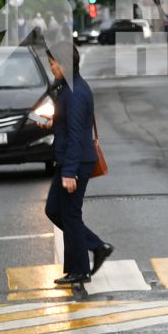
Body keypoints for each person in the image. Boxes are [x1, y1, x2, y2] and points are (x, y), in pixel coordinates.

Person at [42, 37, 113, 285]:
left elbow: (76, 135)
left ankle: (80, 270)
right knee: (55, 210)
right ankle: (95, 247)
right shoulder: (70, 88)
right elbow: (72, 125)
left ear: (63, 63)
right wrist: (53, 122)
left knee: (70, 215)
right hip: (69, 161)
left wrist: (70, 172)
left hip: (75, 163)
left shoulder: (74, 92)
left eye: (52, 63)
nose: (51, 68)